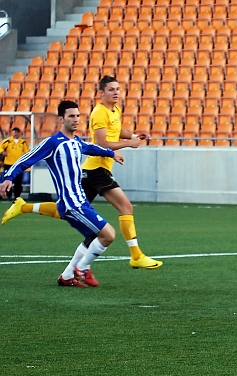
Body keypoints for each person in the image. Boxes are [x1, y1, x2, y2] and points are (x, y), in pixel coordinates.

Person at [1, 75, 162, 270]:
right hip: (96, 170)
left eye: (118, 89)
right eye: (111, 89)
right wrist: (8, 176)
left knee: (69, 212)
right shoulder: (96, 115)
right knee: (121, 212)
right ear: (101, 93)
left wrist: (127, 141)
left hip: (93, 170)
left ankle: (25, 210)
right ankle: (133, 255)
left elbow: (104, 138)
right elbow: (100, 142)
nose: (117, 92)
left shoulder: (87, 132)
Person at [0, 100, 122, 287]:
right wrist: (8, 176)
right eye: (71, 116)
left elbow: (92, 148)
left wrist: (111, 154)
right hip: (71, 203)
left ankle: (66, 277)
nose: (76, 120)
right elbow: (26, 158)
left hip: (80, 201)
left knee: (92, 238)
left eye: (78, 116)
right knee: (108, 235)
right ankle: (81, 268)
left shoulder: (76, 142)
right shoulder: (53, 142)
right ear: (60, 119)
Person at [0, 127, 31, 199]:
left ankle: (17, 196)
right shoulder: (7, 141)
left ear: (20, 133)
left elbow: (27, 151)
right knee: (8, 180)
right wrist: (2, 152)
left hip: (18, 164)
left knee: (18, 181)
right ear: (12, 133)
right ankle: (8, 195)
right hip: (8, 163)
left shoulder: (23, 142)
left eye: (17, 132)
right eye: (14, 132)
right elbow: (0, 147)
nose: (15, 134)